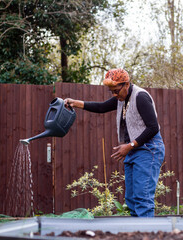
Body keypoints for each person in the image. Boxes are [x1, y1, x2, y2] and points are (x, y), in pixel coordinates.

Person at [64, 68, 165, 217]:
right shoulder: (122, 98)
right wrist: (75, 103)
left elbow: (153, 128)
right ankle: (138, 232)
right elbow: (101, 107)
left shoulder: (140, 97)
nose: (114, 95)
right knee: (131, 200)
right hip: (134, 149)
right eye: (111, 92)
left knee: (142, 198)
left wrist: (130, 146)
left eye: (116, 91)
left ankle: (147, 234)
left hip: (149, 149)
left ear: (126, 84)